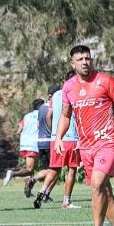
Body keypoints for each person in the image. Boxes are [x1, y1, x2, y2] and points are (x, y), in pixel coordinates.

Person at [54, 45, 114, 226]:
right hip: (86, 146)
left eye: (87, 58)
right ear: (73, 63)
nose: (84, 62)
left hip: (108, 142)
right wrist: (58, 137)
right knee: (104, 190)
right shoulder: (69, 87)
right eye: (80, 59)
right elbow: (65, 115)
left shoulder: (105, 81)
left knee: (98, 184)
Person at [39, 71, 82, 210]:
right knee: (72, 169)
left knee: (54, 168)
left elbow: (49, 115)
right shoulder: (76, 92)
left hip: (55, 138)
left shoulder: (56, 95)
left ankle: (42, 192)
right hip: (71, 137)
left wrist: (55, 132)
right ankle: (66, 201)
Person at [25, 85, 59, 203]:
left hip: (40, 141)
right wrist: (53, 132)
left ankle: (45, 193)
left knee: (50, 169)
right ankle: (35, 182)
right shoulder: (53, 106)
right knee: (54, 170)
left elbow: (39, 124)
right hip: (50, 141)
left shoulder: (41, 108)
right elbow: (49, 119)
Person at [2, 98, 44, 186]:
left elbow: (19, 130)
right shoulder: (41, 115)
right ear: (41, 107)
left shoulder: (27, 116)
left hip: (24, 144)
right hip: (33, 145)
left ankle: (27, 189)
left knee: (29, 168)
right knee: (29, 169)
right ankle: (12, 173)